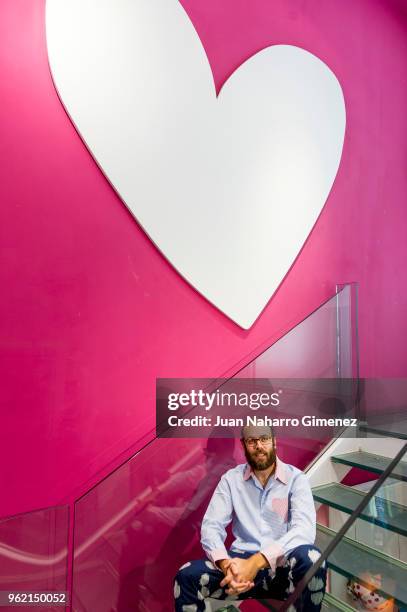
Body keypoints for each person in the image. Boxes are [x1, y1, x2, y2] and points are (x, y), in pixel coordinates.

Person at [174, 425, 327, 611]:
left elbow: (304, 531)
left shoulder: (296, 479)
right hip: (238, 569)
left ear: (274, 441)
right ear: (243, 445)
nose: (259, 446)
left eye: (264, 439)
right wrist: (226, 565)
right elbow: (211, 526)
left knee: (312, 558)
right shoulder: (231, 479)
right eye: (252, 441)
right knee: (186, 575)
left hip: (283, 569)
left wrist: (254, 563)